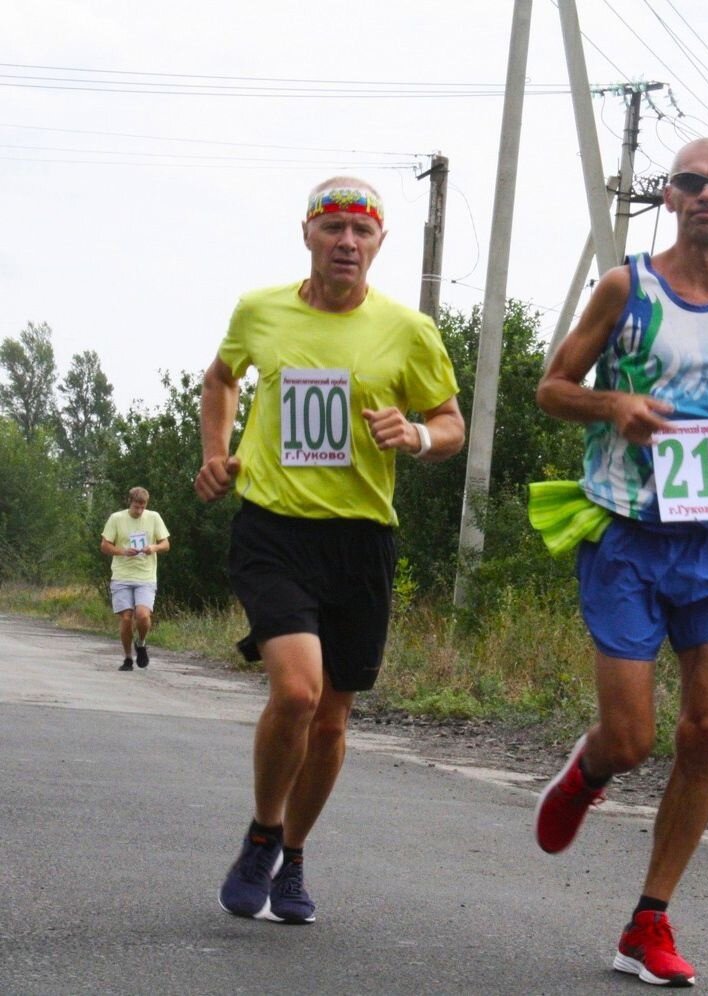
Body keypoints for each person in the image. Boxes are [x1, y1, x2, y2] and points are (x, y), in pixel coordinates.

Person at [531, 138, 708, 987]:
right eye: (691, 181)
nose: (706, 193)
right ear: (668, 196)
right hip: (627, 531)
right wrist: (612, 402)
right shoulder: (628, 286)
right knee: (631, 738)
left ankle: (648, 922)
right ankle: (589, 770)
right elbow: (551, 387)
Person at [194, 176, 464, 926]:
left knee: (335, 720)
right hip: (274, 527)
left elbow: (450, 424)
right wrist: (217, 449)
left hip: (360, 538)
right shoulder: (261, 311)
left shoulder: (409, 331)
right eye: (334, 227)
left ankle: (294, 853)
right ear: (308, 235)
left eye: (362, 232)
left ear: (380, 244)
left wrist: (414, 435)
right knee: (298, 692)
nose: (348, 241)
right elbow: (220, 379)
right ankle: (261, 832)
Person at [100, 486, 170, 672]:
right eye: (136, 506)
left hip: (145, 576)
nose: (139, 510)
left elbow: (166, 544)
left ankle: (141, 642)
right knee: (126, 618)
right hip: (122, 575)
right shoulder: (116, 518)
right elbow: (105, 546)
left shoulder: (154, 517)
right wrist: (123, 551)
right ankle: (128, 658)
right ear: (129, 502)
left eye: (142, 506)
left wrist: (152, 548)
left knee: (143, 615)